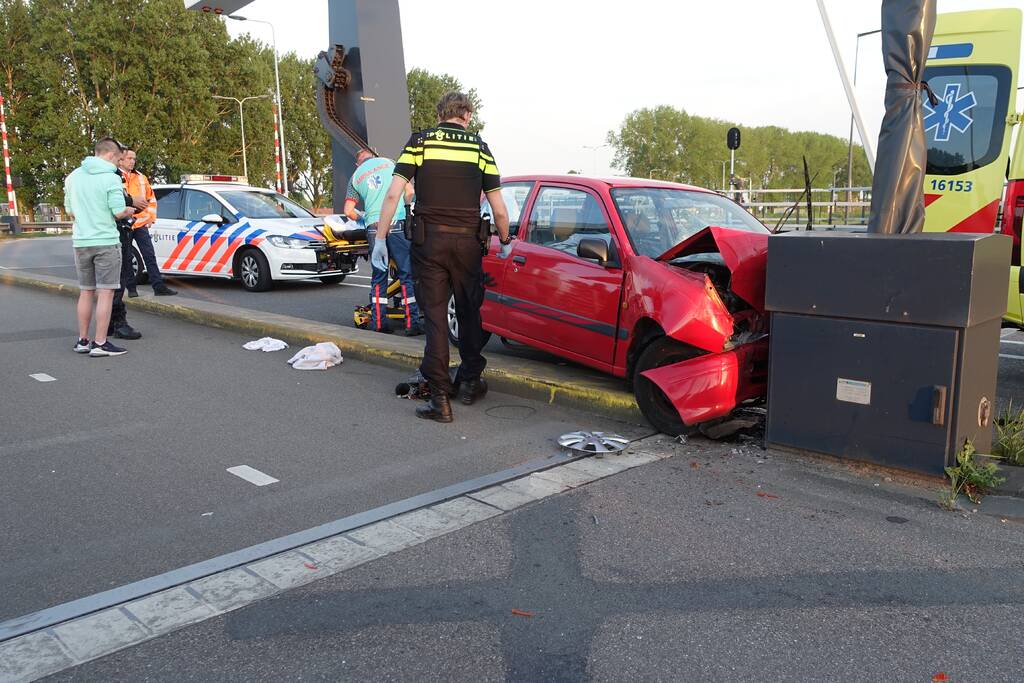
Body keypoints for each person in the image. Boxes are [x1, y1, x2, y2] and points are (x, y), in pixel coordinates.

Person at [375, 91, 513, 423]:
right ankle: (468, 381)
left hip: (428, 242)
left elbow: (394, 192)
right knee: (467, 310)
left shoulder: (420, 142)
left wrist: (380, 238)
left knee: (435, 317)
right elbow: (498, 207)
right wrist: (505, 240)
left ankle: (440, 399)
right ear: (465, 115)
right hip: (468, 244)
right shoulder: (479, 147)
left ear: (441, 114)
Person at [63, 137, 139, 357]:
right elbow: (117, 211)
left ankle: (83, 340)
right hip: (105, 241)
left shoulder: (73, 177)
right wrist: (131, 210)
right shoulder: (110, 178)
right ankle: (100, 343)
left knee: (86, 292)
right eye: (118, 159)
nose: (118, 163)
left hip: (81, 242)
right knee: (106, 292)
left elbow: (70, 211)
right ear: (110, 155)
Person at [344, 148, 420, 335]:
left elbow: (348, 211)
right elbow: (409, 192)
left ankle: (379, 322)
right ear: (375, 157)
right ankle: (412, 324)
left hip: (373, 227)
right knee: (405, 273)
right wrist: (408, 211)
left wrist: (362, 218)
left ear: (358, 163)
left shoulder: (355, 177)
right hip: (396, 222)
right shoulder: (390, 163)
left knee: (379, 275)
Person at [119, 148, 177, 297]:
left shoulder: (141, 177)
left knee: (149, 255)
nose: (132, 161)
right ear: (121, 159)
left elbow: (151, 199)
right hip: (124, 223)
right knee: (126, 257)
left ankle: (158, 287)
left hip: (140, 223)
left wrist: (150, 218)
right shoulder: (115, 177)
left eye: (134, 158)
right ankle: (131, 289)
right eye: (129, 158)